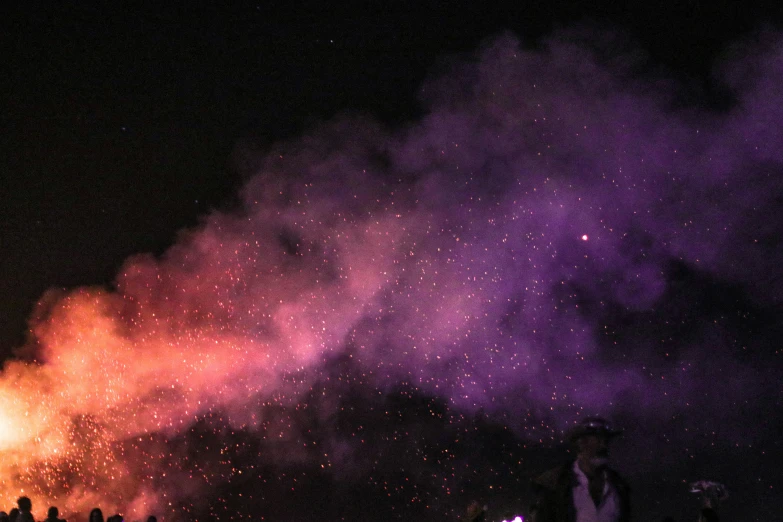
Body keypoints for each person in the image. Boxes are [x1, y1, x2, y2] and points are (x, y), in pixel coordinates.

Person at [531, 417, 630, 522]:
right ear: (581, 443)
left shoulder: (619, 486)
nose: (604, 446)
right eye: (598, 440)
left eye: (606, 440)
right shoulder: (556, 483)